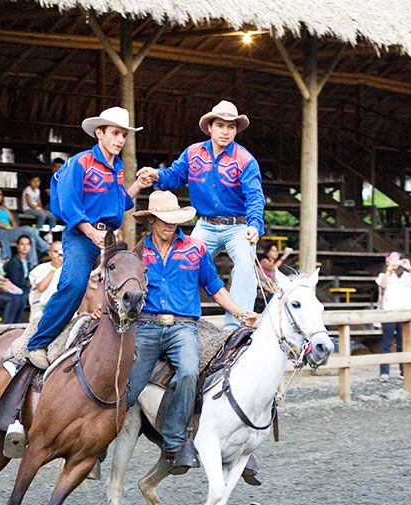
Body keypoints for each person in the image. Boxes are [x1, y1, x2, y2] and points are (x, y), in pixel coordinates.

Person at [126, 190, 258, 472]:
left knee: (188, 371)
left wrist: (237, 311)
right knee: (129, 384)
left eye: (174, 219)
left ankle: (174, 442)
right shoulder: (139, 252)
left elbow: (214, 287)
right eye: (164, 220)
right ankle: (95, 446)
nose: (170, 225)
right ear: (152, 220)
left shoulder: (195, 248)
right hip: (147, 324)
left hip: (183, 326)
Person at [25, 106, 146, 368]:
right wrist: (91, 232)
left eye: (123, 135)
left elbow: (119, 203)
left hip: (108, 235)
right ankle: (38, 343)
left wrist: (138, 186)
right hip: (81, 234)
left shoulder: (118, 167)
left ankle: (131, 342)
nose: (119, 140)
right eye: (115, 133)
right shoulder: (80, 162)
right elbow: (68, 203)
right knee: (74, 284)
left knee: (132, 277)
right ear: (99, 133)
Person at [137, 100, 266, 330]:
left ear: (236, 130)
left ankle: (236, 326)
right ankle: (175, 316)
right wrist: (156, 174)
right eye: (220, 125)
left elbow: (255, 197)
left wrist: (255, 225)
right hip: (205, 224)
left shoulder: (245, 160)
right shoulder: (193, 153)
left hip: (237, 224)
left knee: (246, 263)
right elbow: (175, 175)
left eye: (231, 127)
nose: (226, 131)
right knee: (180, 256)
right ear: (210, 127)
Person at [376, 251, 411, 382]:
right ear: (387, 262)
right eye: (391, 260)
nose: (394, 262)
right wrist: (389, 271)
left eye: (397, 260)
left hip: (405, 312)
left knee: (403, 343)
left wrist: (409, 268)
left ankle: (404, 371)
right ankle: (384, 372)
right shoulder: (383, 275)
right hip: (389, 312)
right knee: (386, 343)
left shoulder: (406, 275)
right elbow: (383, 285)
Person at [0, 186, 48, 266]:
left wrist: (15, 229)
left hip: (10, 232)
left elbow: (12, 220)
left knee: (31, 239)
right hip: (1, 233)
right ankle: (46, 248)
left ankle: (33, 264)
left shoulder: (4, 208)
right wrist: (9, 228)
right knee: (28, 229)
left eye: (0, 195)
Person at [27, 240, 63, 324]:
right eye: (55, 251)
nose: (59, 254)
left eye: (61, 251)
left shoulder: (69, 269)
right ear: (50, 253)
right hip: (40, 311)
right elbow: (41, 288)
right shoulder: (40, 268)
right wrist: (54, 268)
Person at [256, 242, 293, 309]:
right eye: (273, 251)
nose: (276, 252)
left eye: (276, 251)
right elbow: (272, 267)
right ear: (267, 253)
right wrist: (284, 256)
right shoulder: (264, 261)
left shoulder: (274, 263)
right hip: (265, 291)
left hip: (273, 290)